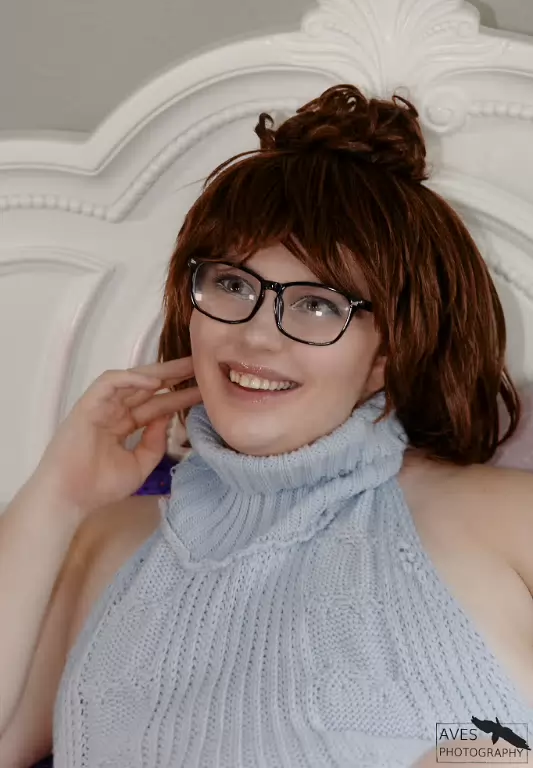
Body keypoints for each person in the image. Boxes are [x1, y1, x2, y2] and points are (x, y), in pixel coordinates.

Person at [0, 84, 532, 768]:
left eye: (317, 304)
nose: (255, 336)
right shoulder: (106, 540)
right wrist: (55, 495)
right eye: (231, 285)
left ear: (387, 354)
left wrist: (489, 753)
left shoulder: (501, 518)